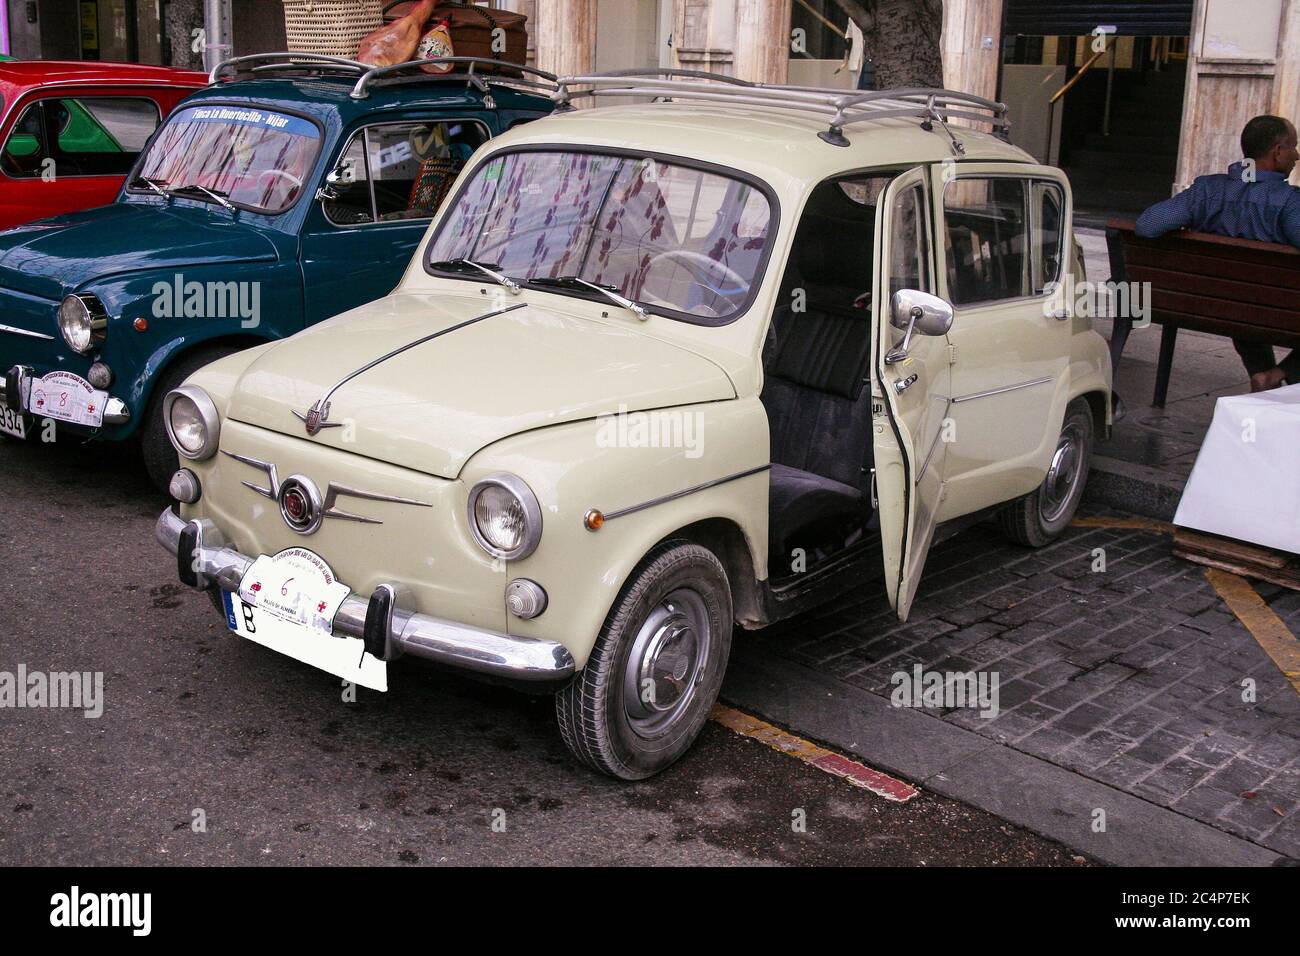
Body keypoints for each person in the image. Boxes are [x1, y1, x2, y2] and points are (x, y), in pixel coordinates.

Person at [1136, 114, 1300, 391]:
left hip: (1218, 307)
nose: (1297, 155)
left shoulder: (1207, 191)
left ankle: (1264, 374)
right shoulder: (1289, 202)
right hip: (1274, 311)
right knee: (1258, 303)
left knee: (1244, 304)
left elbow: (1147, 225)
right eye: (1294, 146)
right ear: (1278, 152)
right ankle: (1278, 374)